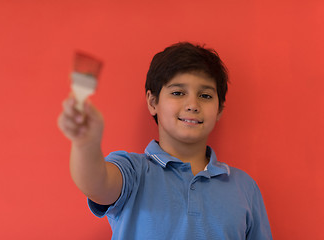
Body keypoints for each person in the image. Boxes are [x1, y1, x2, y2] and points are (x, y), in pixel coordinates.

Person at [57, 42, 273, 239]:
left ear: (219, 110)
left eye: (205, 95)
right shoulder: (132, 171)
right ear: (153, 102)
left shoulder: (244, 188)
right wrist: (86, 143)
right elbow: (96, 183)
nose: (192, 104)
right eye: (178, 93)